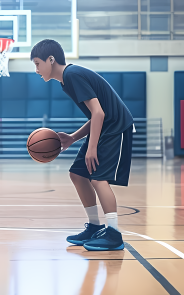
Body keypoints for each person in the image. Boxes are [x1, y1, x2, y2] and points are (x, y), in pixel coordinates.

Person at [30, 39, 134, 252]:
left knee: (97, 178)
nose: (36, 69)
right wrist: (73, 138)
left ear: (51, 60)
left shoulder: (72, 75)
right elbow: (96, 115)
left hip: (117, 127)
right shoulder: (66, 81)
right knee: (78, 174)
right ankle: (95, 227)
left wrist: (92, 147)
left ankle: (113, 234)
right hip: (106, 126)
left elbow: (99, 113)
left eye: (38, 63)